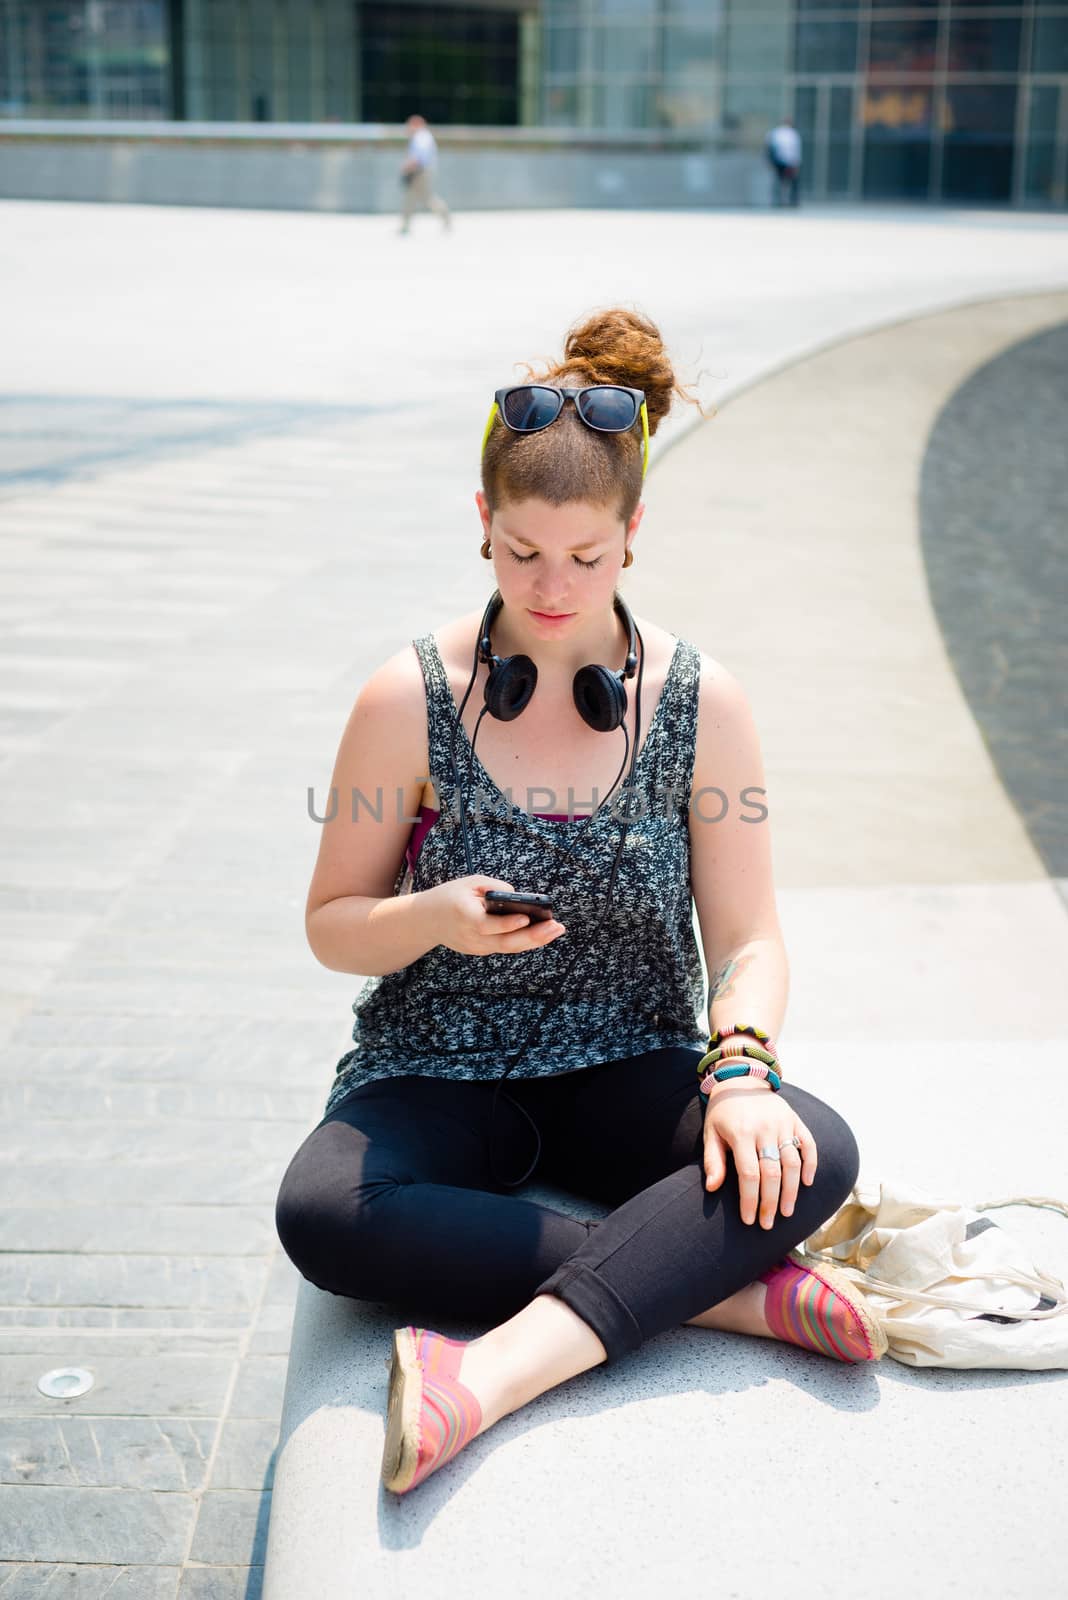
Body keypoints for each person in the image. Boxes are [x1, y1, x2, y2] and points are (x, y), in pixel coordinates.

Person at [275, 307, 881, 1499]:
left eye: (586, 557)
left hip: (632, 1062)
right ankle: (715, 1289)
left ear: (635, 533)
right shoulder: (407, 697)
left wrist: (745, 1068)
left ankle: (487, 1376)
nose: (551, 588)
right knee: (322, 1214)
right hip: (435, 1061)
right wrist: (433, 915)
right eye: (520, 553)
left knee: (813, 1151)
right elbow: (332, 924)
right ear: (483, 527)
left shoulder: (707, 701)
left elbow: (750, 937)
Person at [398, 113, 451, 235]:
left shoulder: (422, 137)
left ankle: (446, 217)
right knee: (412, 197)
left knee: (426, 198)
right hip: (420, 171)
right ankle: (405, 225)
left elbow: (419, 157)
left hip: (421, 171)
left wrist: (407, 167)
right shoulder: (421, 136)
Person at [766, 116, 802, 207]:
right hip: (789, 161)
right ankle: (792, 202)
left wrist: (770, 161)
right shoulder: (793, 134)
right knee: (792, 182)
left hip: (779, 161)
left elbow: (769, 147)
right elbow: (795, 150)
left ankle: (778, 201)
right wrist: (796, 163)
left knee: (779, 181)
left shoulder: (775, 132)